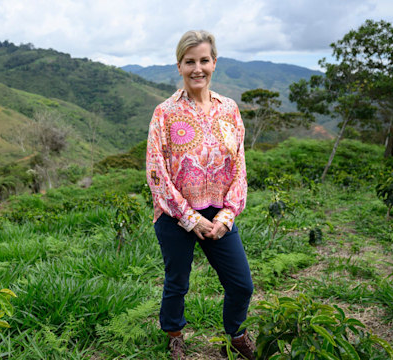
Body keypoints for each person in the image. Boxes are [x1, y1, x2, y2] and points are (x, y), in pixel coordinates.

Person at [145, 30, 255, 360]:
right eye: (189, 61)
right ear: (179, 66)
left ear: (214, 63)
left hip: (219, 214)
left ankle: (235, 334)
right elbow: (155, 171)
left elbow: (240, 167)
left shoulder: (229, 110)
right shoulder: (164, 113)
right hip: (175, 215)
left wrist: (228, 214)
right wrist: (189, 218)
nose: (197, 69)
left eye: (204, 61)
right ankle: (174, 334)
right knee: (177, 281)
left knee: (242, 284)